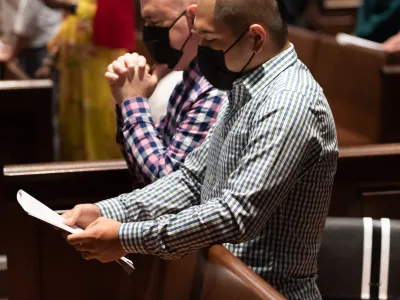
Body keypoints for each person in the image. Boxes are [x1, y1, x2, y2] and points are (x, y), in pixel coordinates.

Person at [62, 0, 338, 298]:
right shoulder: (245, 83)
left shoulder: (288, 103)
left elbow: (236, 215)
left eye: (210, 40)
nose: (202, 50)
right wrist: (106, 210)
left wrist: (126, 237)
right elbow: (192, 178)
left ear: (256, 39)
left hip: (268, 291)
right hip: (221, 281)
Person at [104, 0, 225, 184]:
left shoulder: (214, 90)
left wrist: (133, 101)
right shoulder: (186, 83)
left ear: (193, 19)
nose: (149, 33)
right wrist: (125, 100)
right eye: (146, 23)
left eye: (156, 23)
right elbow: (141, 168)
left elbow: (168, 184)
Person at [50, 0, 136, 161]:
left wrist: (71, 5)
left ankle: (99, 174)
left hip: (99, 60)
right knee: (73, 121)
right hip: (76, 66)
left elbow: (112, 15)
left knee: (100, 118)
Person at [0, 0, 62, 77]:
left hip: (38, 50)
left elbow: (25, 32)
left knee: (35, 85)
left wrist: (11, 55)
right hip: (43, 45)